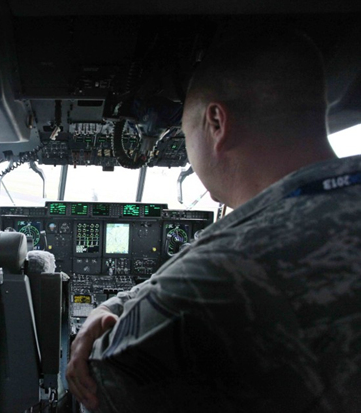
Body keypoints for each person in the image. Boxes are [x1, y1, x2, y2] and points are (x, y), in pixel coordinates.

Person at [66, 28, 361, 412]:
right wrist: (115, 305)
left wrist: (102, 317)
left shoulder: (222, 270)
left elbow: (97, 387)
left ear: (217, 123)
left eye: (186, 134)